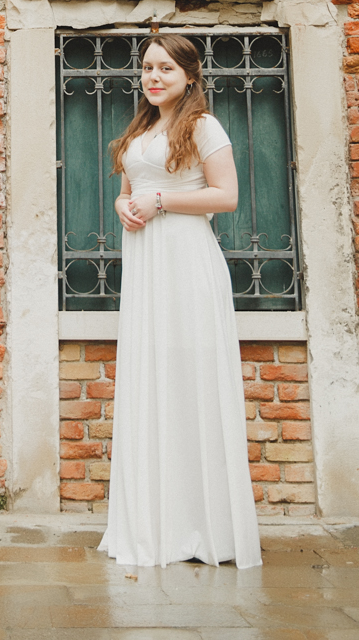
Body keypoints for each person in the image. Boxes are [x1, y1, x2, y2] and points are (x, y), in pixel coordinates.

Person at [98, 32, 262, 570]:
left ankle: (201, 526)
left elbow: (227, 196)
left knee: (189, 381)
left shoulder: (203, 126)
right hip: (146, 265)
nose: (153, 77)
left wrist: (162, 200)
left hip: (187, 264)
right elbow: (131, 190)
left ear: (189, 75)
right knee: (152, 381)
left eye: (166, 68)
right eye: (147, 67)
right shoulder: (141, 128)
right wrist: (124, 204)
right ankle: (153, 524)